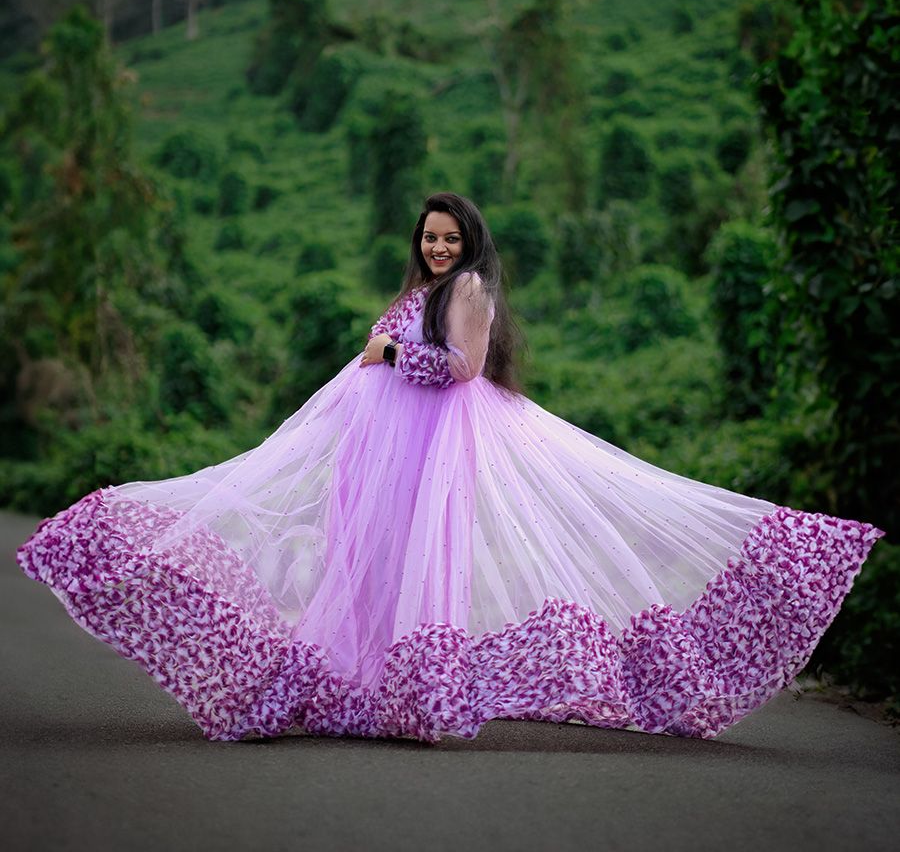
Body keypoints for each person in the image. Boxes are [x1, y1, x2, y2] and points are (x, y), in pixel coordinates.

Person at [16, 191, 885, 744]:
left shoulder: (467, 291)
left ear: (469, 242)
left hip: (432, 456)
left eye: (449, 237)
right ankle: (370, 684)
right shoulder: (421, 292)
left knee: (420, 564)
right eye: (429, 237)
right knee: (374, 568)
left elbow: (463, 369)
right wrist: (381, 367)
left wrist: (392, 354)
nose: (437, 247)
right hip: (388, 457)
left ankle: (416, 693)